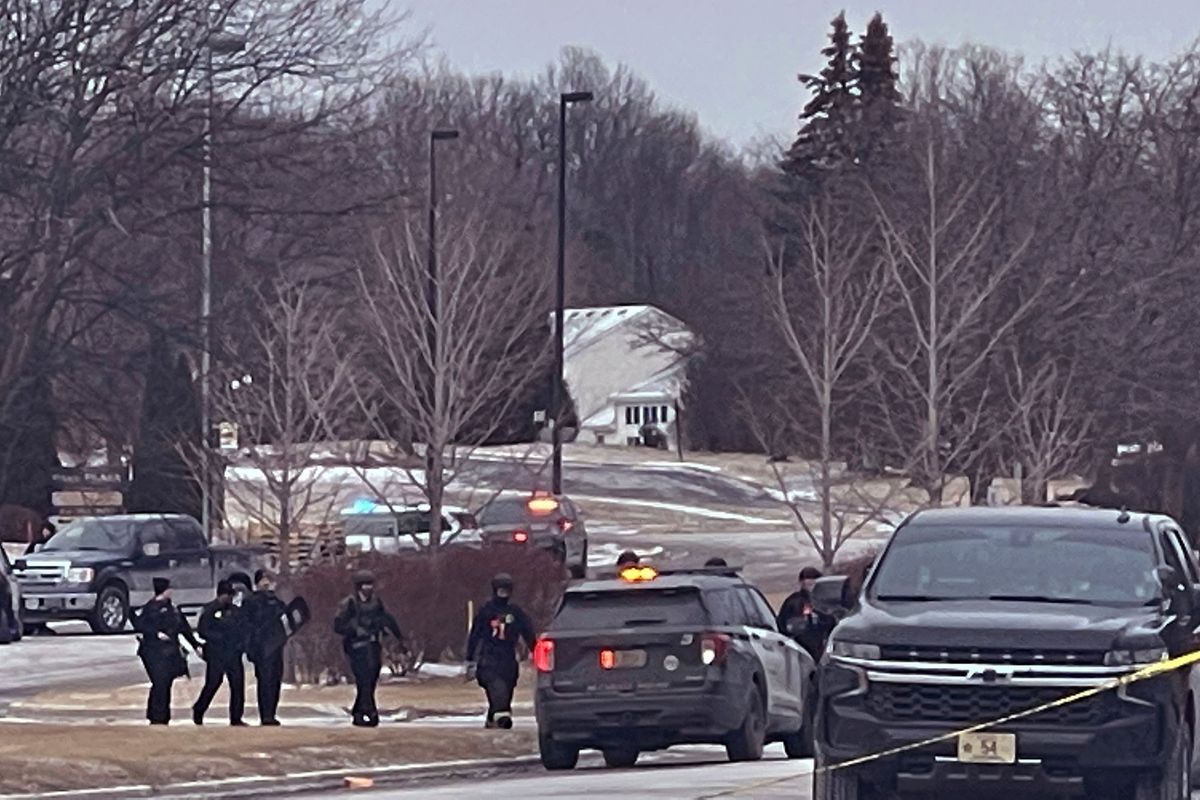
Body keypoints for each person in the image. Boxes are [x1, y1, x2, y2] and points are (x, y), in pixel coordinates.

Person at [333, 570, 406, 727]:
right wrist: (354, 630)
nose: (368, 588)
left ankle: (359, 711)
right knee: (363, 679)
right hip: (356, 646)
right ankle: (370, 711)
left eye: (370, 584)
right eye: (365, 585)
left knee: (372, 678)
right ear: (359, 586)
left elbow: (388, 619)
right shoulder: (349, 604)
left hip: (373, 645)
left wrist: (399, 637)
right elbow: (338, 625)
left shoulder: (376, 603)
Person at [466, 573, 536, 730]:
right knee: (497, 690)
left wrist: (536, 651)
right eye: (500, 590)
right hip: (489, 658)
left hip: (508, 658)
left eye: (506, 591)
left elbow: (528, 631)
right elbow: (475, 635)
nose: (503, 594)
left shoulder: (515, 612)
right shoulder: (486, 611)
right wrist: (470, 659)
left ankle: (493, 718)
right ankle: (502, 718)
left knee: (507, 690)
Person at [132, 577, 200, 725]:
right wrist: (155, 633)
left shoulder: (172, 609)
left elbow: (184, 628)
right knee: (160, 682)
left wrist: (195, 645)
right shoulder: (150, 608)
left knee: (165, 682)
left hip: (169, 651)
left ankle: (162, 714)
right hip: (153, 651)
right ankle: (157, 715)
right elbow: (140, 625)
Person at [192, 580, 247, 726]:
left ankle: (236, 717)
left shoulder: (236, 611)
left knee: (237, 685)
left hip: (233, 653)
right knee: (213, 683)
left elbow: (243, 629)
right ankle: (199, 709)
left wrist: (240, 645)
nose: (229, 598)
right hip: (216, 653)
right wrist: (219, 637)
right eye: (227, 595)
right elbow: (202, 630)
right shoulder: (209, 610)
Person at [243, 569, 287, 726]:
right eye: (263, 580)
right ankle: (266, 714)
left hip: (276, 645)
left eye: (268, 579)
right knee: (265, 680)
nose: (266, 583)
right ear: (257, 583)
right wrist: (250, 647)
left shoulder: (275, 600)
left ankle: (272, 713)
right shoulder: (251, 601)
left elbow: (284, 616)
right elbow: (247, 625)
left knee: (276, 679)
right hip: (261, 647)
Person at [776, 566, 836, 660]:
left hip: (818, 646)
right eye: (808, 581)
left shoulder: (825, 601)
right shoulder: (794, 601)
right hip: (799, 646)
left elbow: (831, 622)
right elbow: (783, 623)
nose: (810, 584)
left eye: (813, 581)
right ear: (801, 582)